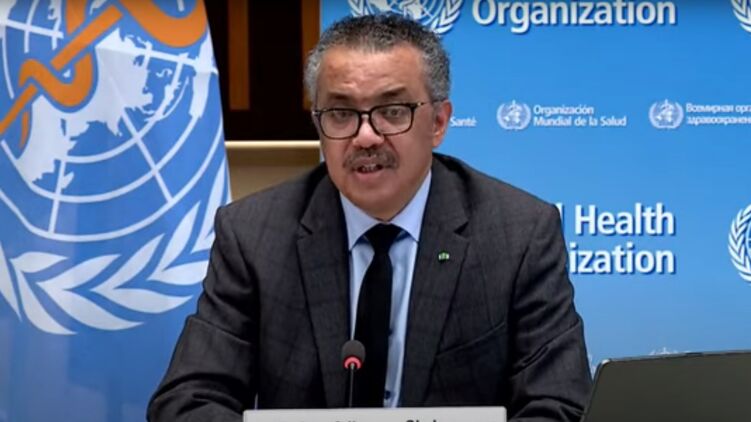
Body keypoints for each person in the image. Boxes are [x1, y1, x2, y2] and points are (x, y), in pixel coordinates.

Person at [148, 13, 591, 421]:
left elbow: (559, 406)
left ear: (438, 122)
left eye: (392, 111)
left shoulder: (519, 235)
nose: (365, 137)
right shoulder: (254, 235)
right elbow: (188, 402)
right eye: (341, 114)